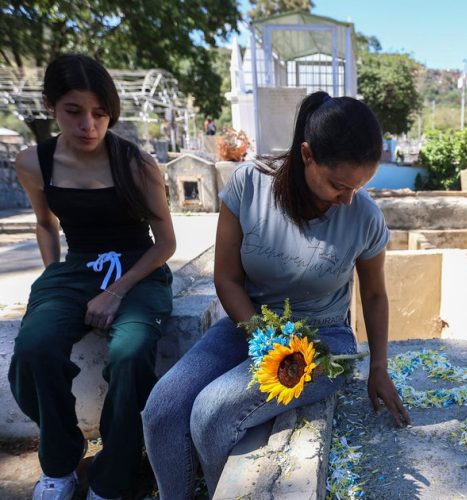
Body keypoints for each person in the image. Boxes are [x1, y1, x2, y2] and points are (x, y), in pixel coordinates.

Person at [142, 91, 412, 498]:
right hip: (247, 322)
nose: (348, 199)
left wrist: (379, 366)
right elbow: (227, 279)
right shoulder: (250, 186)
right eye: (338, 185)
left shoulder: (364, 216)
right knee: (162, 409)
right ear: (306, 155)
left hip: (322, 339)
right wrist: (262, 336)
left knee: (212, 414)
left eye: (359, 187)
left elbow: (374, 295)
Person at [8, 54, 175, 500]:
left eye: (100, 114)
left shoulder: (136, 163)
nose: (88, 125)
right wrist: (53, 281)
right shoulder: (34, 162)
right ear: (51, 107)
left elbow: (165, 244)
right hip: (76, 267)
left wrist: (116, 292)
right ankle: (61, 458)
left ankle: (113, 473)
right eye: (74, 111)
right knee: (35, 348)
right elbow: (45, 224)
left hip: (139, 269)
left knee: (130, 353)